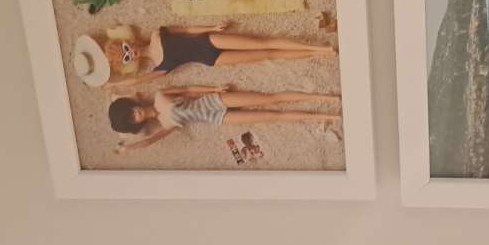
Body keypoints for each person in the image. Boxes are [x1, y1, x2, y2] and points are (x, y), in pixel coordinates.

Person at [73, 24, 337, 90]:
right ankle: (314, 54)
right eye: (126, 58)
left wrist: (210, 27)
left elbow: (186, 30)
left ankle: (319, 49)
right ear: (129, 63)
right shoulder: (159, 67)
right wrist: (114, 84)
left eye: (126, 49)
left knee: (264, 42)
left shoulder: (156, 34)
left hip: (208, 40)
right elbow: (138, 82)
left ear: (128, 42)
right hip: (212, 60)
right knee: (267, 54)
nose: (131, 53)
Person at [109, 87, 341, 152]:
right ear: (136, 124)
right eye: (132, 119)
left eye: (132, 111)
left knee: (270, 98)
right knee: (272, 116)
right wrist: (129, 147)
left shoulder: (160, 96)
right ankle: (323, 116)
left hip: (214, 100)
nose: (136, 114)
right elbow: (149, 141)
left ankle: (323, 97)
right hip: (216, 118)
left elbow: (188, 90)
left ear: (133, 105)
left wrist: (213, 88)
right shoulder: (165, 125)